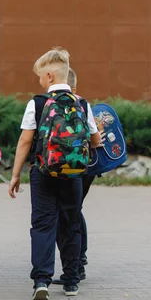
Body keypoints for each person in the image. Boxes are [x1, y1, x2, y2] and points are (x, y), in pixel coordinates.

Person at [9, 47, 101, 300]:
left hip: (43, 172)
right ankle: (71, 281)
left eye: (40, 76)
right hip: (73, 174)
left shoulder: (37, 103)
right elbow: (94, 139)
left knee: (42, 224)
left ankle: (41, 280)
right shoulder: (82, 104)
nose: (39, 80)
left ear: (49, 76)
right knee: (71, 223)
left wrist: (15, 175)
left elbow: (25, 141)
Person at [52, 67, 99, 284]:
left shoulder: (52, 103)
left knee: (67, 215)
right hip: (83, 166)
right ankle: (80, 260)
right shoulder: (83, 103)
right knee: (75, 211)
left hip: (60, 167)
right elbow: (95, 138)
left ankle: (76, 264)